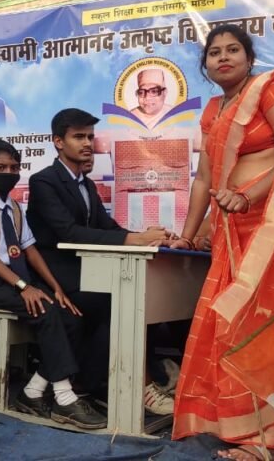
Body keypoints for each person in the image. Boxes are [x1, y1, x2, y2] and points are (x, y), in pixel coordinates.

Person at [167, 25, 274, 460]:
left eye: (233, 50)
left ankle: (272, 441)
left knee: (265, 328)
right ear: (205, 64)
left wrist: (248, 196)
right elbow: (204, 179)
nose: (223, 57)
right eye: (214, 52)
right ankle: (240, 429)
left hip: (273, 231)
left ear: (249, 58)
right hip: (230, 235)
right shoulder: (214, 110)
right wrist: (188, 234)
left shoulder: (271, 92)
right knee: (228, 327)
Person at [26, 108, 176, 414]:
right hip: (56, 277)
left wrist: (147, 235)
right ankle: (124, 385)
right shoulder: (43, 181)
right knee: (122, 303)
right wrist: (133, 240)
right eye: (78, 136)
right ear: (58, 141)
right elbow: (68, 232)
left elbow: (106, 227)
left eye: (90, 137)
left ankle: (99, 382)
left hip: (88, 273)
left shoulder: (87, 184)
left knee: (137, 300)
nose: (87, 143)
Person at [0, 139, 106, 430]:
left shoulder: (14, 207)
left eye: (14, 168)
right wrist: (24, 287)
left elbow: (31, 250)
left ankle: (33, 391)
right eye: (1, 168)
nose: (9, 173)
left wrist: (56, 287)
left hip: (16, 278)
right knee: (45, 311)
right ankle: (64, 398)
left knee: (71, 316)